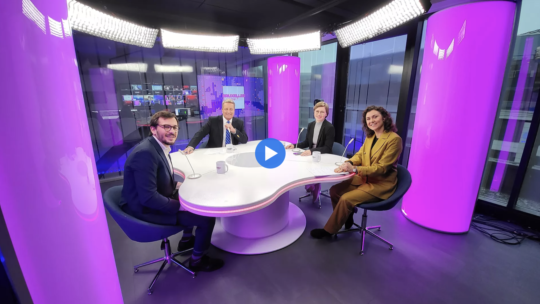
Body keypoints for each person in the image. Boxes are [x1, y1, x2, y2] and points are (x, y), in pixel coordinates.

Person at [120, 111, 224, 271]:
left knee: (192, 197)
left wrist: (176, 185)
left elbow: (158, 178)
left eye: (175, 127)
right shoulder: (146, 153)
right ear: (153, 129)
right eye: (166, 126)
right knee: (206, 218)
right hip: (145, 210)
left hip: (153, 198)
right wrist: (180, 206)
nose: (172, 131)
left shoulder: (158, 147)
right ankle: (197, 260)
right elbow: (148, 198)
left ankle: (186, 241)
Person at [310, 105, 402, 239]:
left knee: (346, 199)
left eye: (375, 117)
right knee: (334, 191)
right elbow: (360, 155)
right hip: (364, 179)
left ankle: (329, 230)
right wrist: (349, 162)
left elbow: (381, 168)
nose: (371, 121)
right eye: (368, 118)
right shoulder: (370, 137)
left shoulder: (394, 139)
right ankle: (348, 215)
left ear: (384, 118)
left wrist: (354, 169)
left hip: (379, 184)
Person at [285, 101, 335, 201]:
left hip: (323, 155)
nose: (319, 114)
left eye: (322, 112)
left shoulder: (329, 127)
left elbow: (327, 148)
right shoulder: (311, 125)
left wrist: (311, 151)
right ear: (314, 112)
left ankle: (316, 185)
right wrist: (294, 145)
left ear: (326, 114)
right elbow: (307, 142)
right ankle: (312, 184)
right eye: (317, 111)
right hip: (311, 153)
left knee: (312, 166)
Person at [184, 99, 248, 154]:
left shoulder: (239, 123)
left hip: (232, 154)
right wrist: (191, 146)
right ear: (222, 110)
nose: (228, 112)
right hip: (215, 154)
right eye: (226, 109)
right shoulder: (213, 121)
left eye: (231, 109)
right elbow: (200, 134)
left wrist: (234, 130)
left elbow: (244, 140)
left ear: (234, 110)